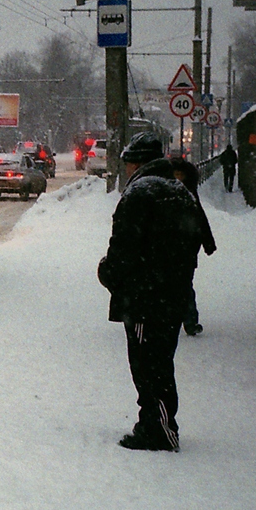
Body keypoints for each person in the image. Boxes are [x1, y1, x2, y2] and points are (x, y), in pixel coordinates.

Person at [98, 132, 202, 452]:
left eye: (128, 163)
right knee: (160, 361)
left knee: (148, 367)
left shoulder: (140, 193)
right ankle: (154, 424)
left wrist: (108, 273)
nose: (127, 169)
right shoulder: (178, 191)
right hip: (172, 296)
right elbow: (192, 242)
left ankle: (159, 429)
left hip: (144, 299)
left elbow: (124, 249)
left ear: (137, 163)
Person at [170, 157, 217, 336]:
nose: (178, 178)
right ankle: (179, 319)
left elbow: (200, 218)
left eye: (180, 174)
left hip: (186, 247)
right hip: (170, 247)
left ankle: (189, 321)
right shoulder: (168, 193)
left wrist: (207, 241)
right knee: (177, 284)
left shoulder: (189, 194)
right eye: (175, 174)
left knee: (184, 284)